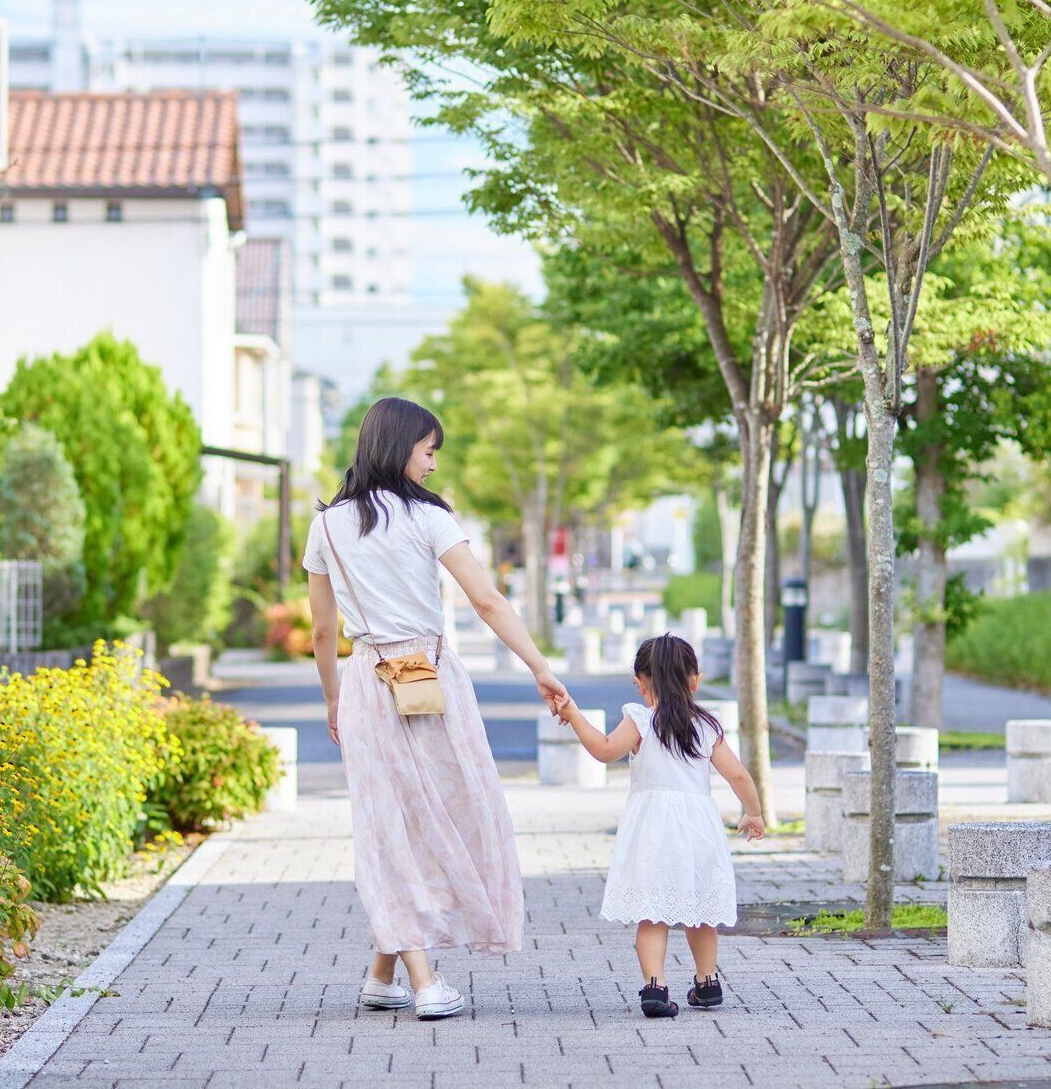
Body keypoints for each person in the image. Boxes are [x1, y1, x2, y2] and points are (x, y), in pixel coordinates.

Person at [306, 397, 571, 1021]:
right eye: (428, 449)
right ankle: (426, 984)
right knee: (445, 815)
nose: (431, 463)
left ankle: (382, 975)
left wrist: (333, 699)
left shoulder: (327, 526)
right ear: (400, 446)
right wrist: (540, 666)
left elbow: (323, 632)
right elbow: (486, 599)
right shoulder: (430, 520)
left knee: (390, 821)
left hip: (369, 680)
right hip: (428, 677)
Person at [552, 634, 766, 1018]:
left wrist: (573, 716)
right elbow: (738, 775)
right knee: (700, 908)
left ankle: (655, 986)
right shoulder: (706, 726)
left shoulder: (640, 721)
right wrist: (753, 812)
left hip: (652, 828)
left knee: (653, 910)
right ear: (694, 681)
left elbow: (602, 750)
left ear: (641, 681)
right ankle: (707, 982)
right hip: (698, 829)